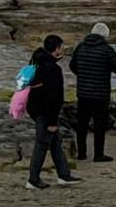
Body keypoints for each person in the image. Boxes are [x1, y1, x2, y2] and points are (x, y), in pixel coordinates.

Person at [24, 34, 79, 189]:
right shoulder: (52, 69)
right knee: (42, 145)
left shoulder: (36, 62)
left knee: (55, 143)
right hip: (44, 112)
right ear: (56, 49)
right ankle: (33, 179)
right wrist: (52, 121)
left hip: (35, 108)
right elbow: (53, 97)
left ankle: (64, 174)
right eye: (61, 46)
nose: (62, 49)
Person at [70, 21, 116, 162]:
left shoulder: (80, 47)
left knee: (82, 123)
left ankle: (81, 153)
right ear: (105, 35)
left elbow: (72, 66)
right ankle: (98, 154)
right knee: (100, 123)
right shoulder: (106, 49)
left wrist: (83, 75)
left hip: (82, 92)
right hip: (101, 92)